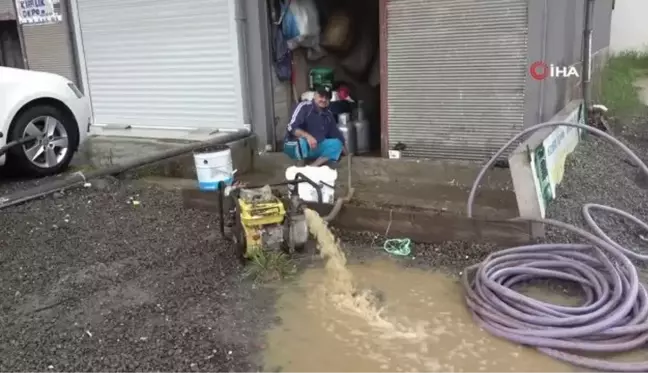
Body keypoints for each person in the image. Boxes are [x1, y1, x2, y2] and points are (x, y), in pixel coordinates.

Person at [283, 85, 347, 167]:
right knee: (301, 143)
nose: (323, 100)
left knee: (337, 144)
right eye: (321, 96)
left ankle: (312, 167)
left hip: (315, 147)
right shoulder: (304, 107)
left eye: (327, 98)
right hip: (295, 145)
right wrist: (308, 137)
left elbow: (338, 137)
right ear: (315, 96)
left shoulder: (328, 115)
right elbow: (291, 127)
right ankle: (299, 168)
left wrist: (348, 156)